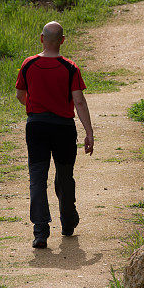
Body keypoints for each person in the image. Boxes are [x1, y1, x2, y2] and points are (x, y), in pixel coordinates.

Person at [15, 21, 94, 248]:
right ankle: (68, 220)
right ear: (62, 40)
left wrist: (35, 108)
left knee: (37, 178)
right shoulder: (70, 68)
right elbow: (78, 100)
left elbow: (21, 94)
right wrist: (89, 132)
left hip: (37, 126)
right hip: (63, 128)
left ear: (41, 39)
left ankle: (40, 231)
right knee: (64, 175)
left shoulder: (28, 65)